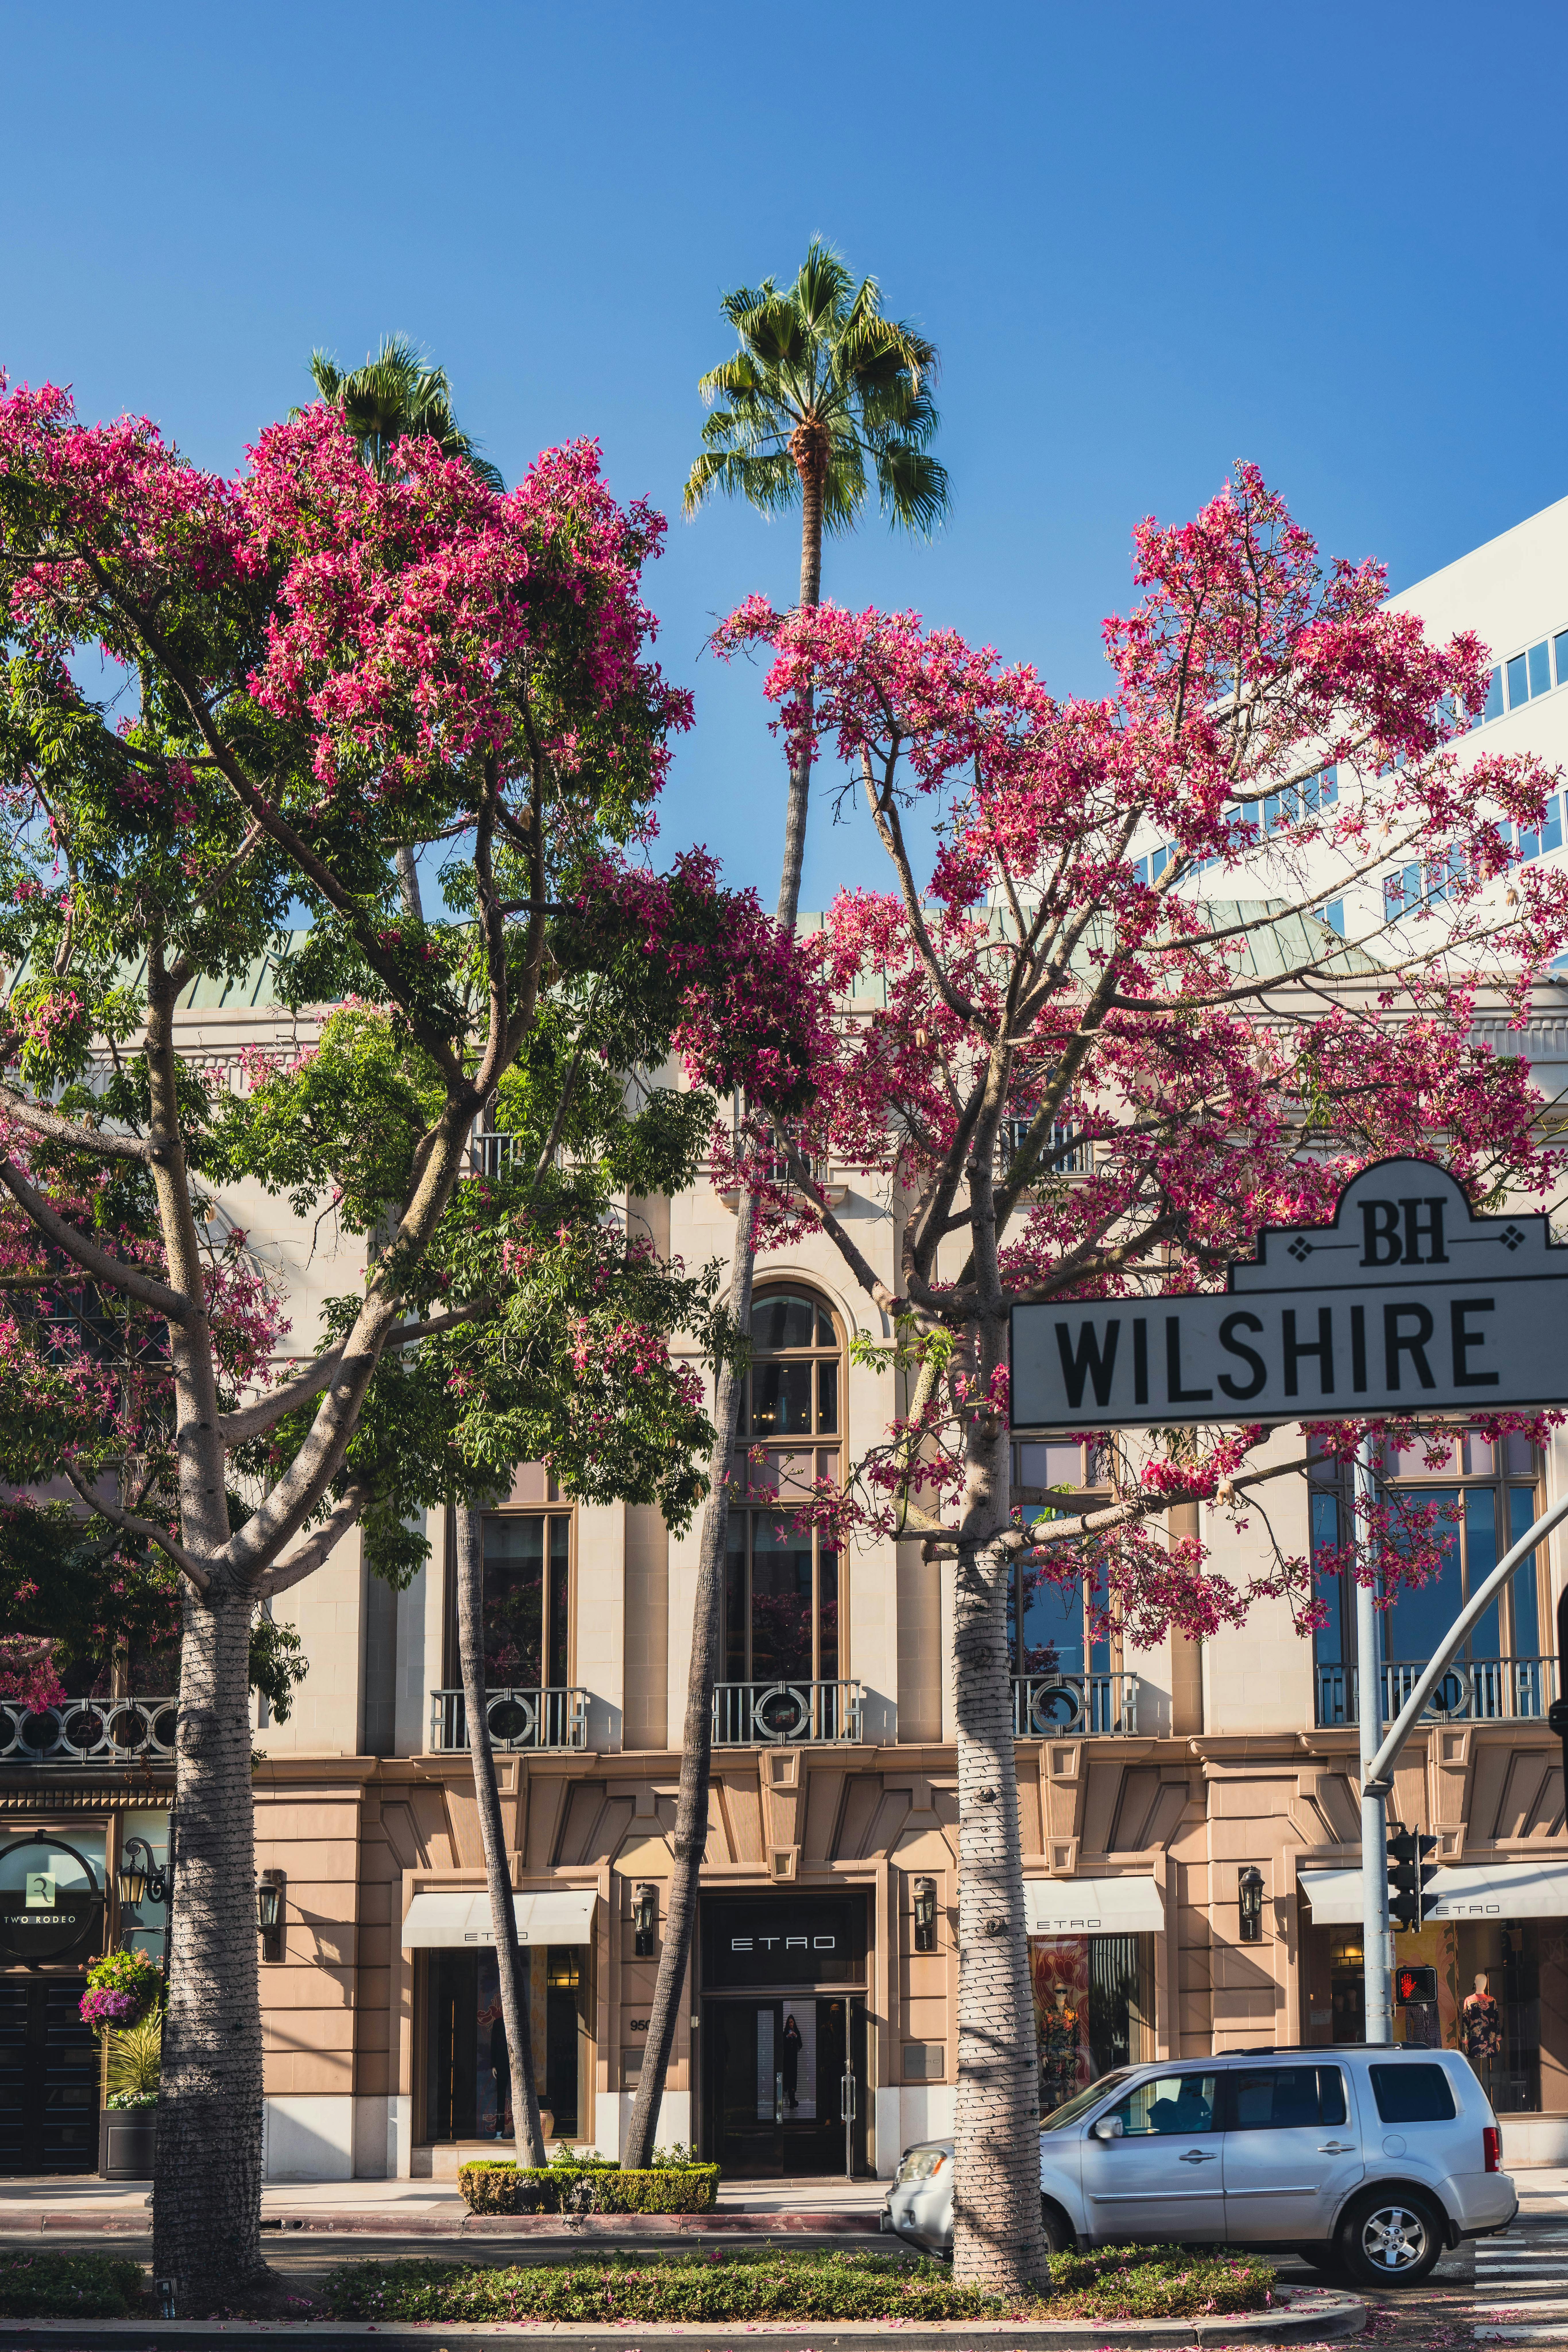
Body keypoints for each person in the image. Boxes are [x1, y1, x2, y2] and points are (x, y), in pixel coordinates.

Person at [781, 2011, 803, 2111]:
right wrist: (788, 2037)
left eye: (792, 2022)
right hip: (787, 2059)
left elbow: (800, 2045)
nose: (791, 2024)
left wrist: (796, 2037)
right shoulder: (786, 2032)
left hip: (794, 2059)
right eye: (790, 2022)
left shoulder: (797, 2032)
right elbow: (781, 2044)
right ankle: (792, 2101)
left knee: (793, 2077)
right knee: (789, 2077)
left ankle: (792, 2101)